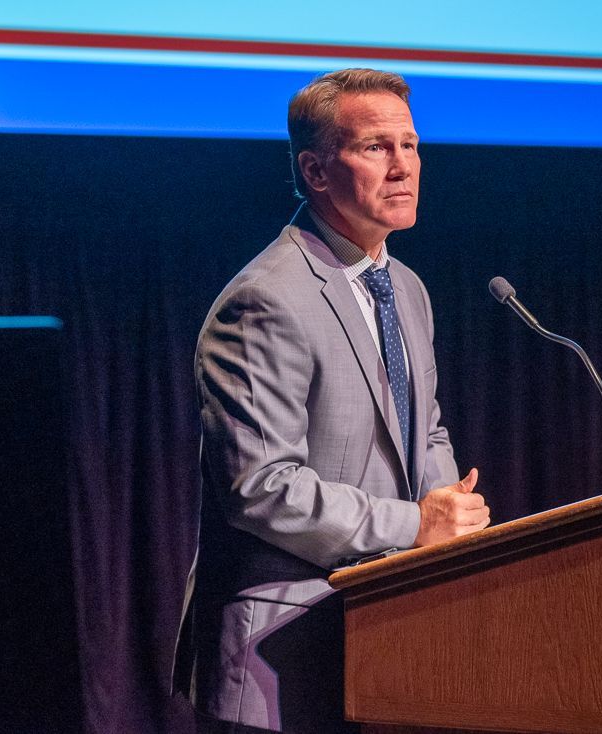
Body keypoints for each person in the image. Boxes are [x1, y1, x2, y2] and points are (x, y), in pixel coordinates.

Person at [172, 69, 491, 733]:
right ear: (316, 172)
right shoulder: (266, 299)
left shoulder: (404, 287)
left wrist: (450, 529)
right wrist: (415, 528)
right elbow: (260, 488)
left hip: (385, 630)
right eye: (377, 147)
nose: (404, 166)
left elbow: (423, 430)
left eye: (411, 145)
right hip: (280, 645)